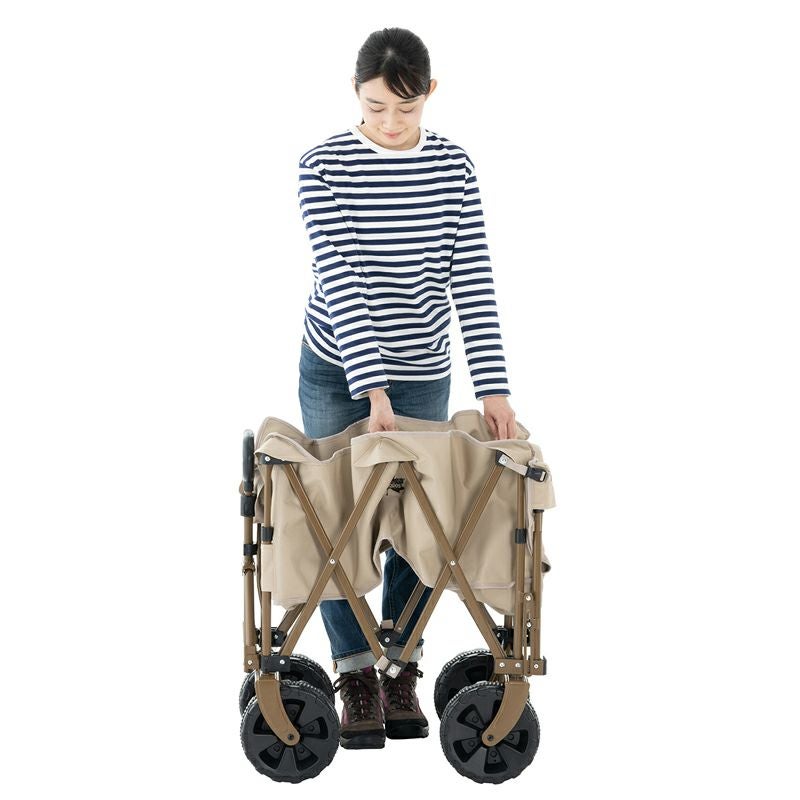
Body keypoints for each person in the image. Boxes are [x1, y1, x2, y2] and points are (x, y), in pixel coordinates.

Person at [296, 27, 517, 750]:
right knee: (339, 521)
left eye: (406, 108)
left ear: (430, 94)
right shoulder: (323, 166)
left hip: (423, 372)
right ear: (354, 95)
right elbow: (340, 279)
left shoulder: (453, 168)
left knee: (420, 524)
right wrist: (372, 391)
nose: (390, 123)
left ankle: (400, 666)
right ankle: (355, 671)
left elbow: (472, 277)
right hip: (338, 369)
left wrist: (493, 386)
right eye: (375, 107)